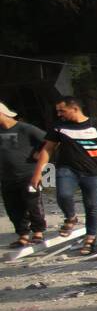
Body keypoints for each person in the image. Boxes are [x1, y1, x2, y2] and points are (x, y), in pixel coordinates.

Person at [35, 96, 97, 255]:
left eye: (62, 111)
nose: (59, 114)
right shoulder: (59, 127)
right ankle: (71, 217)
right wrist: (39, 173)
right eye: (58, 111)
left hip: (94, 171)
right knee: (63, 195)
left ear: (75, 109)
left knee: (91, 205)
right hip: (67, 169)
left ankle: (90, 238)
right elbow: (47, 150)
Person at [0, 101, 47, 247]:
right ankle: (23, 235)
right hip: (7, 176)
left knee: (33, 203)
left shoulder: (25, 129)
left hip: (29, 174)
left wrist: (39, 154)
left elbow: (50, 142)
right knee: (13, 207)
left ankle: (38, 232)